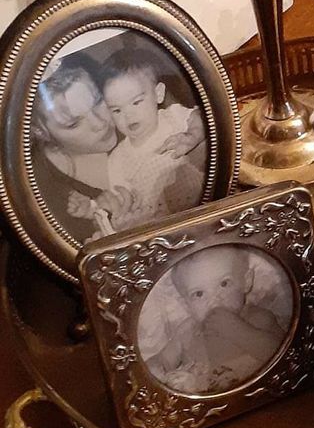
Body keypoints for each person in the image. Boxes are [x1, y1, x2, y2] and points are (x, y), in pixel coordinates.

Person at [68, 48, 206, 227]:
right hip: (163, 223)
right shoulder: (118, 158)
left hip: (204, 201)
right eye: (117, 110)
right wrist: (93, 207)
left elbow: (204, 117)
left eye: (136, 102)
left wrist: (192, 136)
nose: (128, 115)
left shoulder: (173, 116)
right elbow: (121, 200)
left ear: (158, 94)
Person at [148, 246, 286, 393]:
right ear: (185, 304)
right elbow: (164, 359)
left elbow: (283, 354)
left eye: (224, 284)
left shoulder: (258, 318)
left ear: (246, 281)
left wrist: (238, 330)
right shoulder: (187, 330)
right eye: (199, 293)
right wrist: (156, 370)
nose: (214, 300)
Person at [32, 56, 140, 242]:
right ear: (40, 132)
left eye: (98, 101)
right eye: (73, 123)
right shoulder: (36, 190)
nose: (100, 124)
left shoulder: (135, 118)